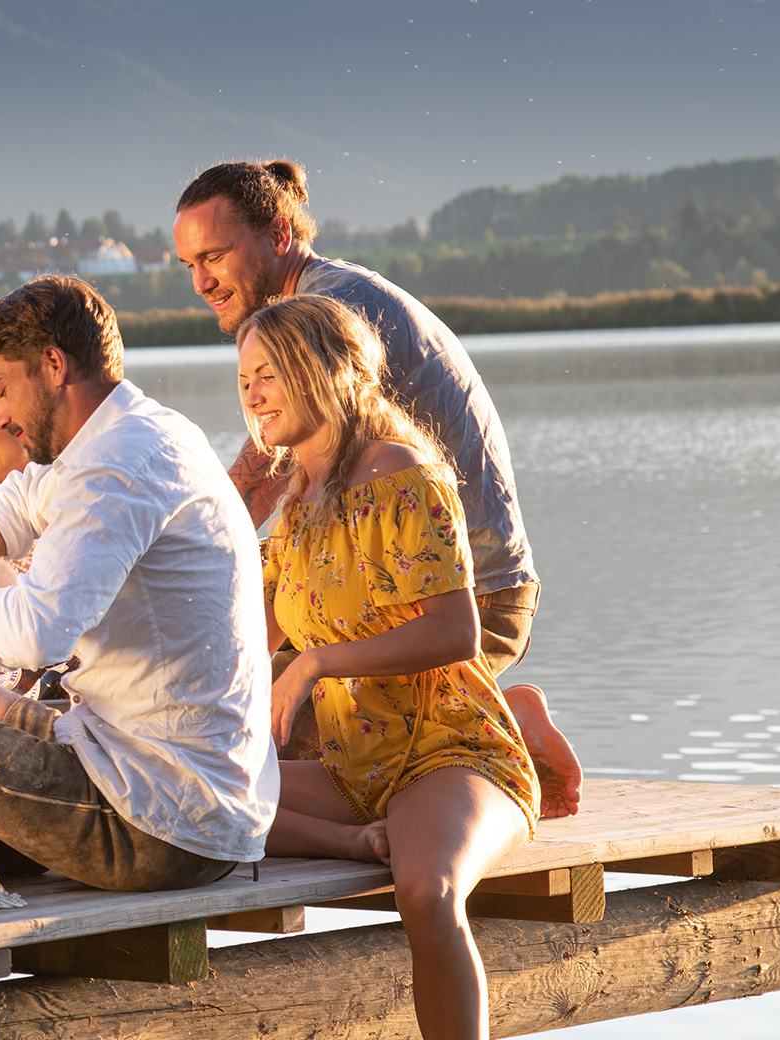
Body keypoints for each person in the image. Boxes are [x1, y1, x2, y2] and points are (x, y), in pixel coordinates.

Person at [0, 275, 279, 894]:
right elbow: (14, 507)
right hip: (141, 768)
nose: (2, 415)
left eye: (1, 392)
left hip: (161, 824)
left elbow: (41, 632)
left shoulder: (115, 466)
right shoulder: (129, 431)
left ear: (52, 365)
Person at [173, 159, 581, 818]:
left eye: (214, 256)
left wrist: (173, 567)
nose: (201, 281)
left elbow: (255, 477)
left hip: (465, 604)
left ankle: (501, 729)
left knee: (255, 737)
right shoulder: (310, 307)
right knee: (224, 706)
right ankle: (508, 713)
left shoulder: (331, 311)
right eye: (188, 265)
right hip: (382, 600)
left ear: (279, 235)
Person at [240, 294, 539, 1040]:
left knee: (427, 891)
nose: (252, 392)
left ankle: (519, 731)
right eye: (244, 377)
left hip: (445, 752)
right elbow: (251, 634)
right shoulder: (298, 501)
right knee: (195, 808)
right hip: (351, 767)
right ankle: (526, 720)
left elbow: (458, 631)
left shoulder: (402, 474)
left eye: (270, 372)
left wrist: (314, 663)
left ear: (326, 372)